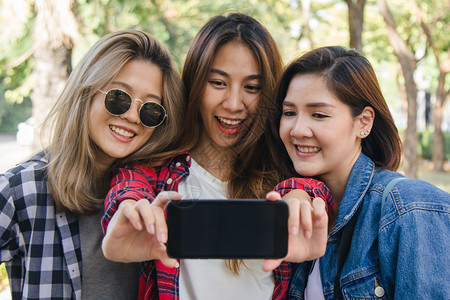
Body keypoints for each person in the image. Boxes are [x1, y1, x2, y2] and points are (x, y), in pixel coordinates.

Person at [101, 13, 333, 299]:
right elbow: (128, 190)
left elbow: (314, 192)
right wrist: (126, 215)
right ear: (196, 84)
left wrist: (300, 196)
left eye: (251, 87)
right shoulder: (155, 174)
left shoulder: (284, 180)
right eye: (218, 83)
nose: (234, 104)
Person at [0, 29, 185, 299]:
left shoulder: (160, 194)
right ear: (86, 91)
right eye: (119, 97)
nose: (133, 116)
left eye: (150, 109)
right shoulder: (21, 190)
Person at [267, 46, 450, 299]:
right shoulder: (301, 211)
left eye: (318, 114)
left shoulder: (410, 208)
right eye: (289, 113)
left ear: (363, 122)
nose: (297, 130)